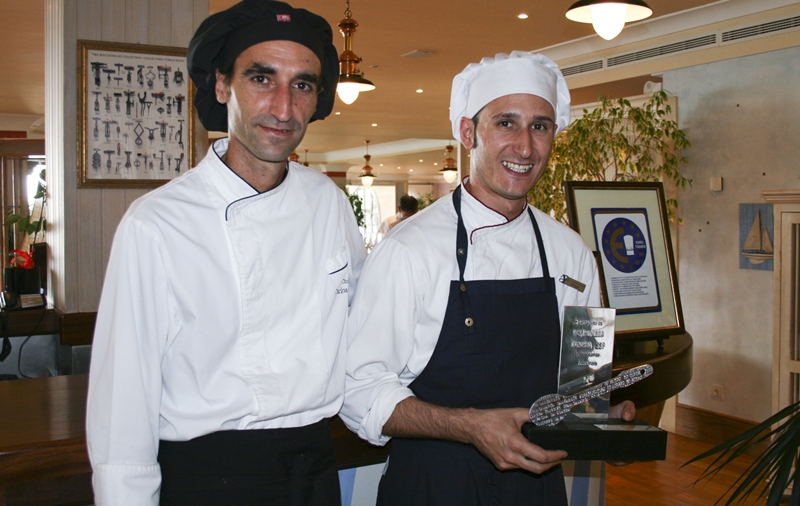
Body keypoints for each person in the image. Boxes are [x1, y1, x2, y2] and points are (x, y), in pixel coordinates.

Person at [86, 1, 365, 505]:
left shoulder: (328, 202)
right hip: (210, 482)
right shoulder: (156, 224)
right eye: (262, 79)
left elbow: (360, 331)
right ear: (221, 86)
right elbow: (123, 403)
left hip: (316, 471)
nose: (283, 108)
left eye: (302, 84)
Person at [340, 51, 635, 505]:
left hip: (535, 489)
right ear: (467, 132)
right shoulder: (409, 250)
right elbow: (359, 389)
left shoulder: (572, 252)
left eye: (540, 126)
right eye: (506, 123)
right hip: (433, 484)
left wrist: (601, 420)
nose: (524, 147)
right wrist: (470, 427)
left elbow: (585, 381)